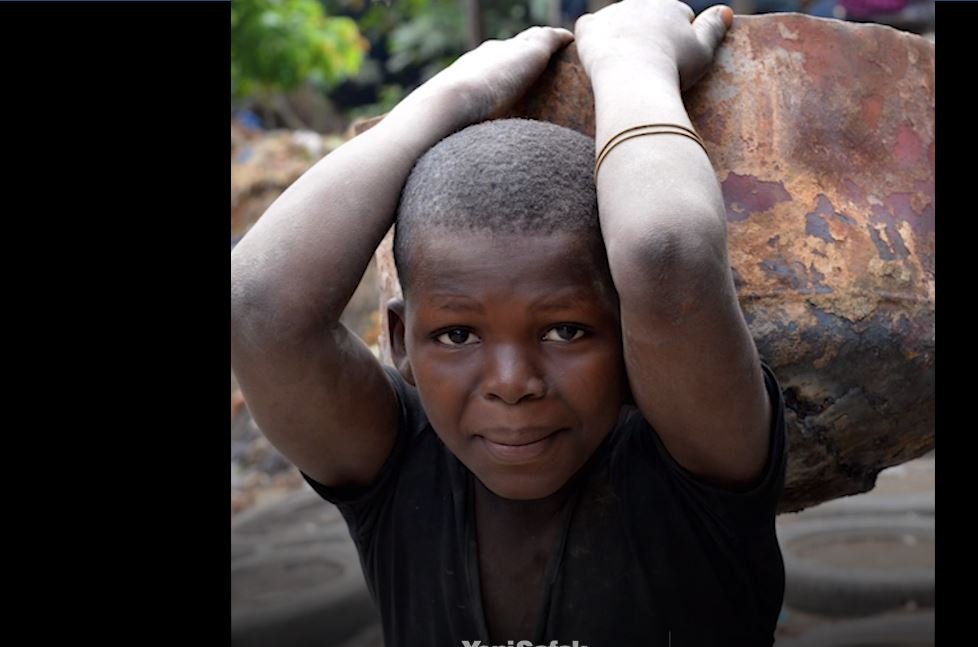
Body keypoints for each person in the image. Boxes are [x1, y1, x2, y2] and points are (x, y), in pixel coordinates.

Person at [230, 1, 787, 644]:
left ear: (633, 337)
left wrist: (632, 62)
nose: (512, 382)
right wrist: (454, 95)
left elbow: (666, 253)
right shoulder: (400, 469)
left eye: (566, 331)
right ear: (399, 341)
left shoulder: (694, 466)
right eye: (457, 335)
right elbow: (258, 307)